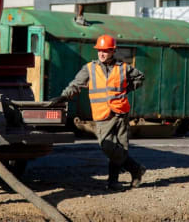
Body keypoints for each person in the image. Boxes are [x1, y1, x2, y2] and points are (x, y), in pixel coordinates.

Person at [50, 34, 146, 192]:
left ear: (112, 51)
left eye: (105, 51)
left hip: (120, 112)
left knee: (121, 146)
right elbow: (76, 84)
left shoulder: (123, 67)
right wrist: (64, 96)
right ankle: (135, 169)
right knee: (108, 146)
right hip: (102, 113)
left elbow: (140, 78)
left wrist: (126, 89)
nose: (101, 53)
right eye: (99, 50)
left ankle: (113, 182)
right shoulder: (89, 68)